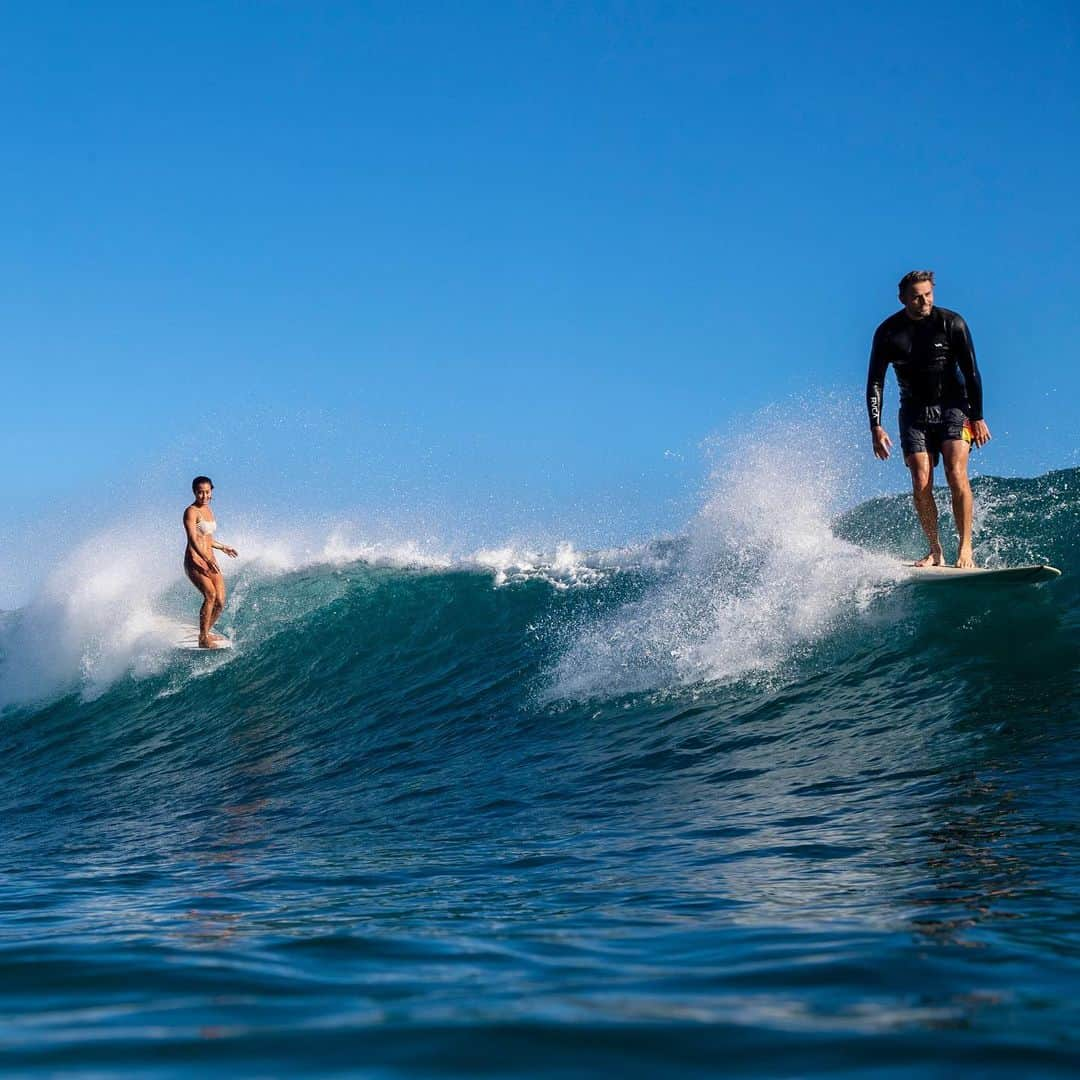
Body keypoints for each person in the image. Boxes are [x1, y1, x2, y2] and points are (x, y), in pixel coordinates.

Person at [866, 270, 991, 568]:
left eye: (928, 295)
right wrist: (876, 426)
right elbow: (875, 382)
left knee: (955, 472)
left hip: (954, 407)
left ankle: (965, 549)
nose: (924, 301)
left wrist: (978, 416)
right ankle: (935, 550)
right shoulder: (888, 332)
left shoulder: (952, 323)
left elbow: (972, 372)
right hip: (913, 411)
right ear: (903, 299)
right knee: (921, 480)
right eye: (916, 297)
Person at [183, 476, 238, 648]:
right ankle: (203, 638)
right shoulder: (191, 512)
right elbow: (193, 539)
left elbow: (206, 538)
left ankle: (206, 632)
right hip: (195, 561)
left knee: (220, 601)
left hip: (210, 560)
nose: (204, 496)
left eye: (207, 492)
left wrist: (222, 547)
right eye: (200, 492)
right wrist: (205, 558)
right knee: (210, 595)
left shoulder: (209, 510)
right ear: (194, 492)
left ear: (211, 492)